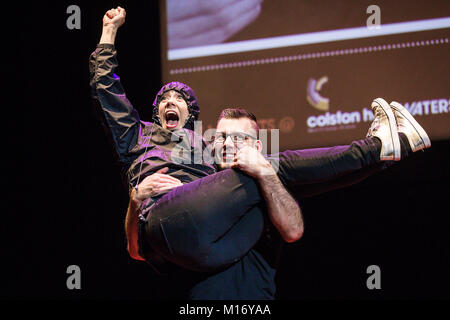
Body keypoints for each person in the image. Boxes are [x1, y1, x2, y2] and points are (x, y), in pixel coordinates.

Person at [90, 7, 430, 287]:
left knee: (270, 171)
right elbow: (106, 91)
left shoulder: (207, 151)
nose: (172, 100)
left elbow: (290, 223)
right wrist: (109, 32)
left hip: (210, 246)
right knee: (272, 165)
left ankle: (387, 152)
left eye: (180, 98)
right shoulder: (140, 136)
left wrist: (253, 167)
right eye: (165, 97)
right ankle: (381, 147)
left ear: (192, 115)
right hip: (166, 220)